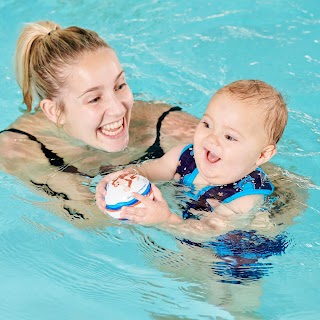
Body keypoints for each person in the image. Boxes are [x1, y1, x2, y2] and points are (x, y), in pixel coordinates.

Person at [0, 20, 198, 223]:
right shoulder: (22, 150)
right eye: (94, 99)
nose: (119, 109)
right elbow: (93, 223)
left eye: (120, 86)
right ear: (54, 111)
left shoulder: (164, 125)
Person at [96, 80, 288, 239]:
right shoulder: (185, 157)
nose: (211, 138)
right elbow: (146, 171)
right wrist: (120, 178)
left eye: (229, 137)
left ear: (262, 155)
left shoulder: (245, 198)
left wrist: (164, 219)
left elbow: (204, 235)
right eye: (207, 124)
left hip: (231, 257)